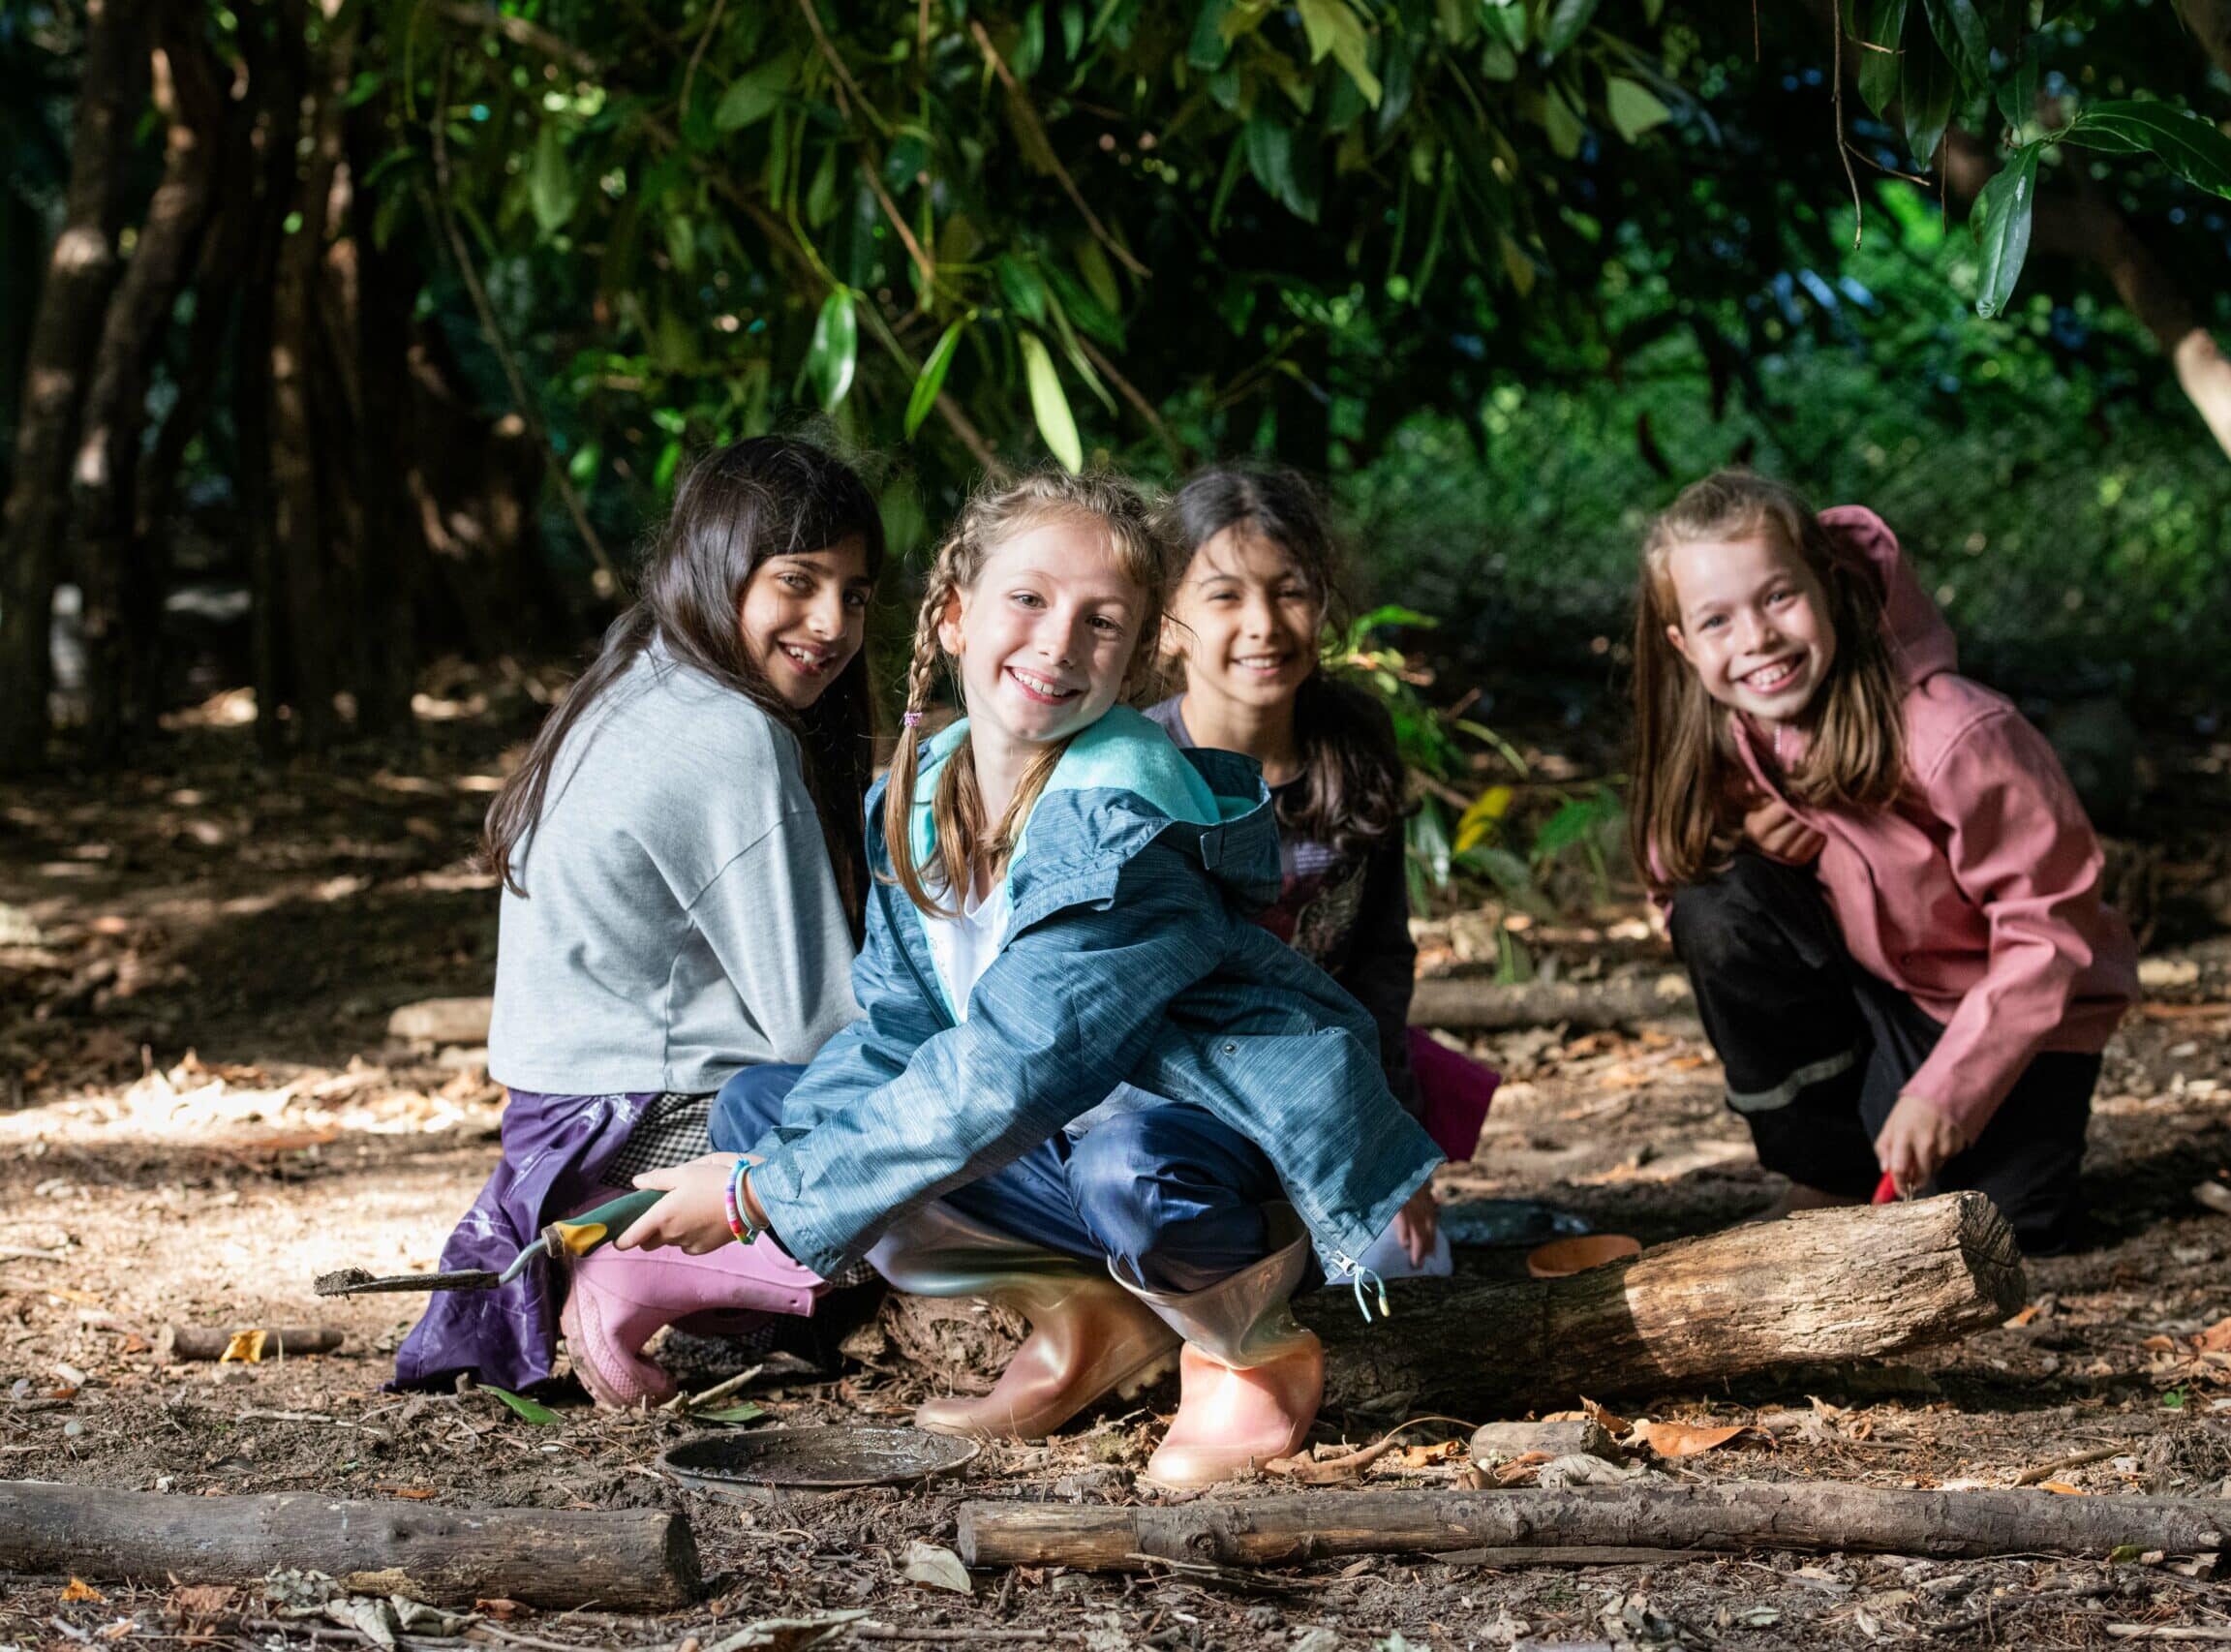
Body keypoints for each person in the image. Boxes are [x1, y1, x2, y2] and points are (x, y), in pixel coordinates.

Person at [621, 470, 1441, 1486]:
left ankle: (1247, 1346)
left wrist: (764, 1195)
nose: (1058, 642)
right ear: (954, 616)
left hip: (1222, 1152)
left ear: (1137, 656)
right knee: (766, 1108)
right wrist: (773, 1165)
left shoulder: (1127, 822)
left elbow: (1016, 1064)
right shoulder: (921, 791)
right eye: (1028, 599)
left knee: (1128, 1171)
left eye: (1102, 621)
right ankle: (1084, 1310)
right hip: (1058, 1136)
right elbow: (897, 1031)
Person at [391, 437, 883, 1402]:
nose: (831, 623)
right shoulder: (728, 735)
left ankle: (687, 1288)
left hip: (562, 1133)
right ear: (718, 568)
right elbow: (826, 1030)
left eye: (855, 594)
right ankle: (651, 1270)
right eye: (798, 580)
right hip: (637, 1134)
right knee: (945, 1167)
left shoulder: (645, 675)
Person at [1629, 471, 2137, 1252]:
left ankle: (1959, 1139)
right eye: (1717, 620)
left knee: (2007, 1238)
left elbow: (2050, 932)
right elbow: (1676, 870)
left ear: (1829, 589)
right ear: (1684, 646)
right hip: (1882, 999)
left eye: (1778, 597)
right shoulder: (1735, 726)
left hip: (2019, 1023)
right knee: (1715, 903)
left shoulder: (1957, 737)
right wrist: (1750, 842)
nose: (1756, 638)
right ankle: (1825, 1171)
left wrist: (1948, 1091)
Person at [1148, 464, 1502, 1281]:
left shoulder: (1353, 743)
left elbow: (1380, 961)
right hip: (1184, 1113)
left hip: (1338, 1094)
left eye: (1291, 592)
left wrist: (1394, 1145)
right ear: (1167, 624)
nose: (1265, 624)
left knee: (1403, 1276)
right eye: (1225, 596)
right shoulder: (1138, 769)